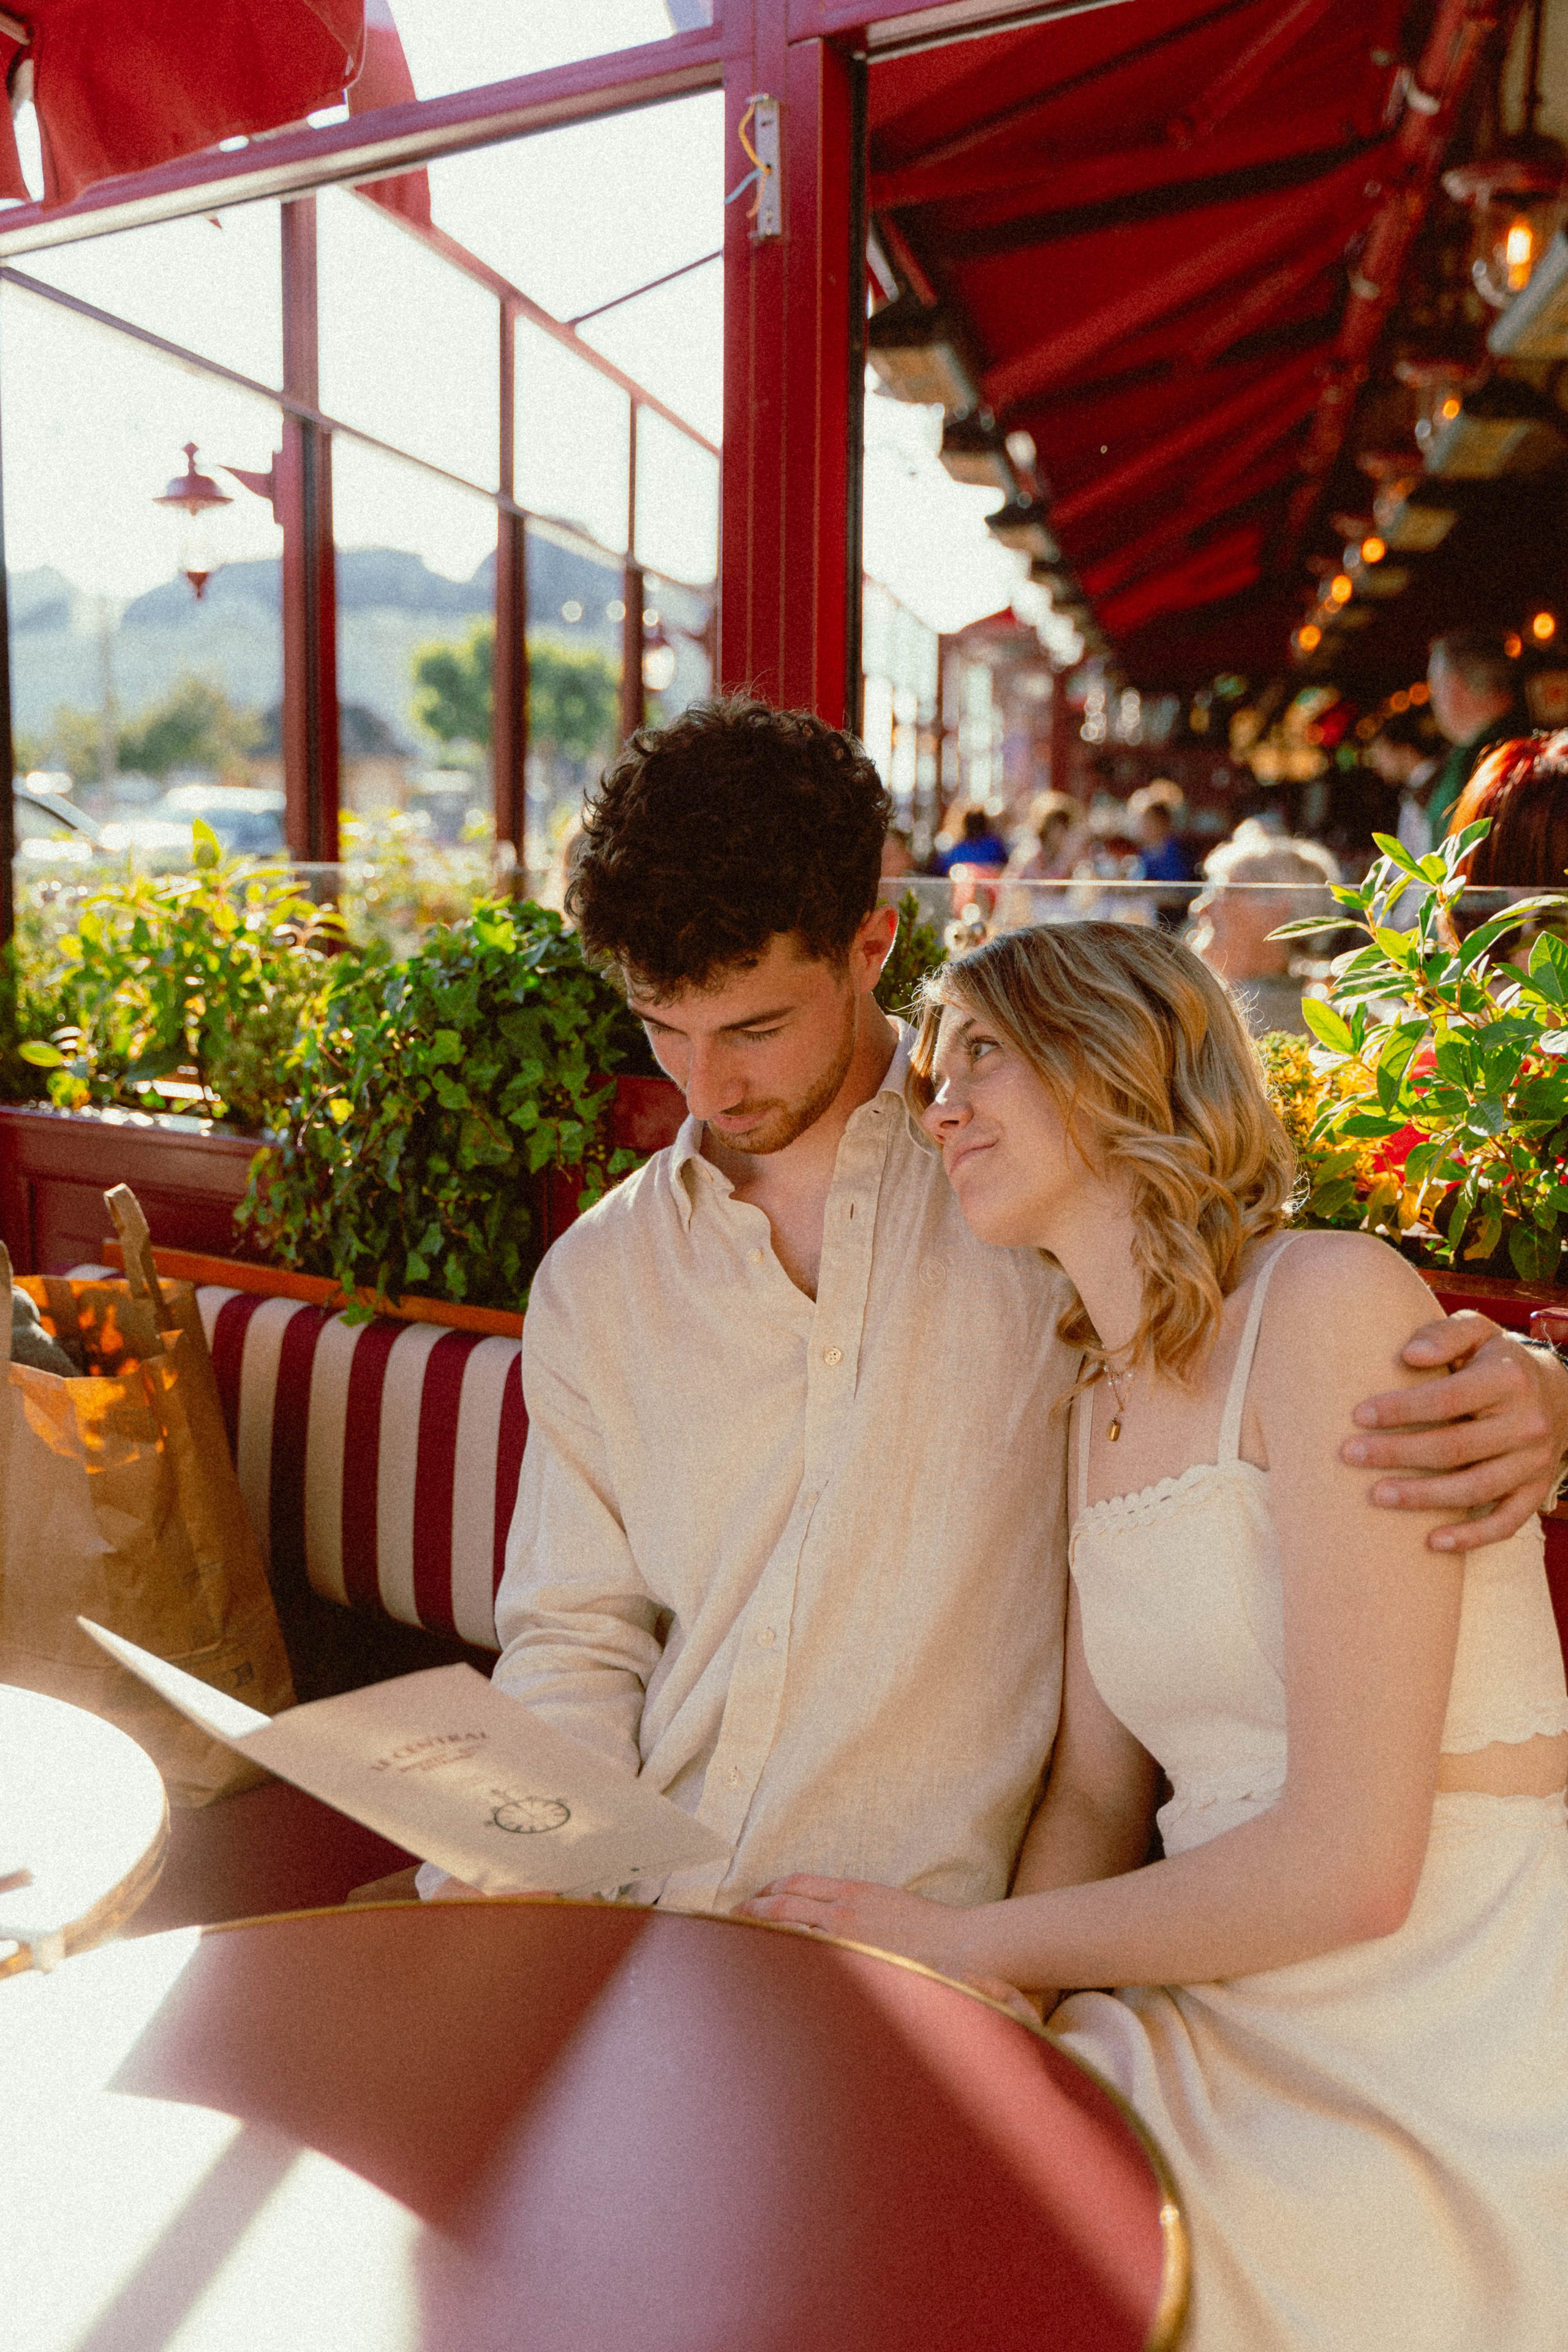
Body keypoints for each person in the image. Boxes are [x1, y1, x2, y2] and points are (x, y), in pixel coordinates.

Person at [423, 696, 1568, 1920]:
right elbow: (576, 1640)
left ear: (871, 945)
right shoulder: (599, 1276)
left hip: (931, 1938)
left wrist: (1543, 1390)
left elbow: (1270, 1315)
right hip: (654, 1914)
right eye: (661, 1029)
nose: (705, 1088)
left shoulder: (1042, 1176)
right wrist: (522, 1873)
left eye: (754, 1029)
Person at [742, 921, 1568, 2350]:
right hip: (1218, 1992)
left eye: (981, 1053)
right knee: (903, 2168)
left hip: (1434, 2022)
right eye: (932, 1072)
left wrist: (962, 1940)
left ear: (1114, 1055)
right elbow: (1092, 1793)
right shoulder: (1095, 1402)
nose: (939, 1105)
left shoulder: (1326, 1301)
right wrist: (1002, 2005)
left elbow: (1352, 1866)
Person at [1187, 823, 1340, 1035]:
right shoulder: (1209, 1005)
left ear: (1279, 909)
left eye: (1223, 890)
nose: (1198, 909)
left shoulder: (1304, 1019)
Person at [1425, 630, 1528, 842]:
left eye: (1433, 687)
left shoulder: (1475, 763)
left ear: (1453, 685)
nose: (1432, 702)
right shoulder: (1541, 742)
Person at [1365, 708, 1442, 861]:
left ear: (1404, 749)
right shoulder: (1415, 789)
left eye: (1381, 753)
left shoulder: (1434, 787)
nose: (1377, 764)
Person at [1128, 778, 1196, 885]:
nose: (1145, 826)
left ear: (1163, 822)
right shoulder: (1144, 852)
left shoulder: (1176, 851)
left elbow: (1175, 885)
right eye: (1143, 821)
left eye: (1151, 821)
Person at [933, 802, 1009, 875]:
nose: (974, 828)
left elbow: (1003, 867)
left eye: (977, 824)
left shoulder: (994, 845)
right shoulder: (958, 850)